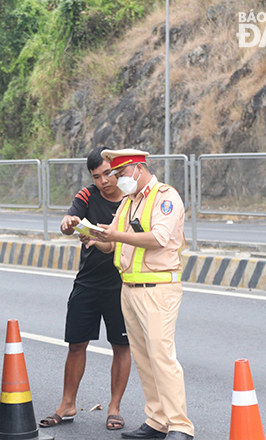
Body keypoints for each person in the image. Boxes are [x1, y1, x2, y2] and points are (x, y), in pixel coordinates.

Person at [86, 148, 195, 440]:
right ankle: (157, 420)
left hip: (158, 289)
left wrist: (114, 236)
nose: (117, 180)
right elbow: (112, 243)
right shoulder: (128, 203)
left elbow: (158, 238)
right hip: (130, 288)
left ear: (137, 168)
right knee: (145, 359)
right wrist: (94, 236)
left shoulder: (165, 197)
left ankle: (180, 425)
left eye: (120, 174)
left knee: (162, 357)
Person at [38, 147, 132, 431]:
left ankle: (114, 408)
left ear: (116, 170)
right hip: (88, 282)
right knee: (76, 343)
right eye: (97, 176)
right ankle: (67, 403)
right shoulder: (87, 195)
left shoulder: (131, 200)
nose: (104, 181)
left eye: (108, 173)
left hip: (121, 284)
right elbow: (69, 224)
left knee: (121, 346)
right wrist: (69, 224)